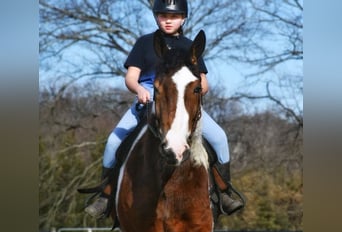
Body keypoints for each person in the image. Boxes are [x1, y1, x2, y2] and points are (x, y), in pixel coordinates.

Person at [85, 0, 244, 219]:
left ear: (183, 18)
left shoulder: (191, 46)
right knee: (113, 141)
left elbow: (204, 82)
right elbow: (131, 77)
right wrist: (140, 89)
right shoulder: (144, 43)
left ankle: (224, 192)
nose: (168, 20)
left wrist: (194, 91)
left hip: (182, 99)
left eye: (174, 16)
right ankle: (105, 196)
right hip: (150, 97)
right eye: (163, 16)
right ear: (156, 17)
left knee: (219, 137)